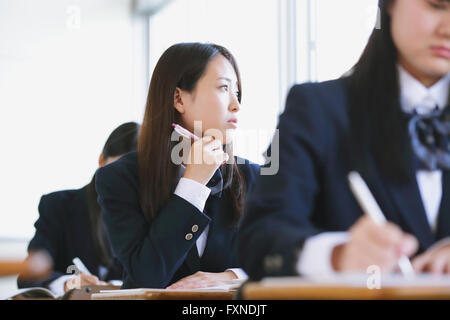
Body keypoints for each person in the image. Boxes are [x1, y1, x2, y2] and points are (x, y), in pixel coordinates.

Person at [238, 0, 450, 279]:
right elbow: (259, 239)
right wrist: (336, 255)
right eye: (436, 5)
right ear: (390, 5)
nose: (447, 28)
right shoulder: (315, 110)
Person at [95, 43, 260, 289]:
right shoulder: (119, 179)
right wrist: (192, 186)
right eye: (224, 88)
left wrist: (229, 277)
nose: (236, 105)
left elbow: (281, 263)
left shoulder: (252, 177)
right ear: (179, 98)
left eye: (237, 92)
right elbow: (145, 276)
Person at [18, 122, 140, 295]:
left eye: (136, 179)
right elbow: (28, 276)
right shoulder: (57, 205)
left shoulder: (151, 217)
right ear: (101, 161)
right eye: (119, 174)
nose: (125, 187)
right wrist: (69, 283)